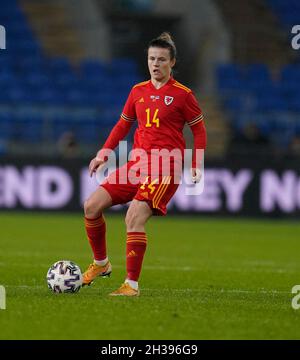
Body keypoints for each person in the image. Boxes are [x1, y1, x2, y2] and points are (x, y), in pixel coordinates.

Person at [83, 32, 207, 296]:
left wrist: (196, 163)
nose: (155, 64)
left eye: (162, 59)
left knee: (134, 216)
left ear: (172, 62)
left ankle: (131, 285)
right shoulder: (137, 91)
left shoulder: (183, 95)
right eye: (152, 58)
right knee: (91, 206)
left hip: (166, 168)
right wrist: (104, 152)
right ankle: (101, 264)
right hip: (137, 165)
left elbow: (199, 131)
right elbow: (123, 124)